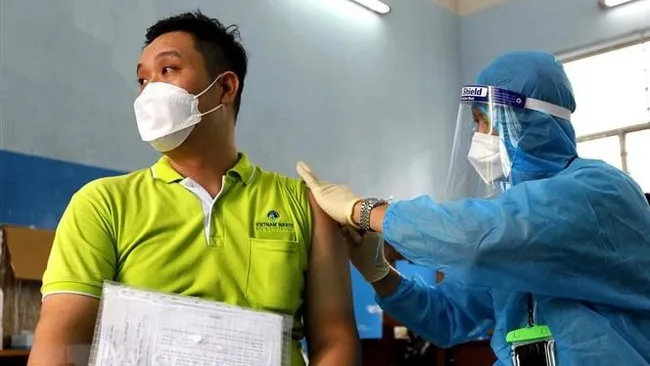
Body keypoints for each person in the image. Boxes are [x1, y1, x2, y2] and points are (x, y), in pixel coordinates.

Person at [29, 11, 360, 366]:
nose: (150, 90)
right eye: (142, 80)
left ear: (225, 87)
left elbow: (336, 339)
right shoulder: (102, 203)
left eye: (167, 70)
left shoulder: (303, 205)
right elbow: (61, 340)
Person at [297, 51, 650, 365]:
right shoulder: (508, 230)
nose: (478, 136)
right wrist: (380, 273)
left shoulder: (598, 192)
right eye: (475, 123)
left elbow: (477, 236)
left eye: (487, 122)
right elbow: (447, 317)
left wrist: (364, 210)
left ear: (533, 122)